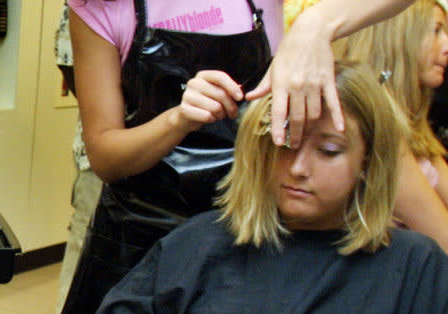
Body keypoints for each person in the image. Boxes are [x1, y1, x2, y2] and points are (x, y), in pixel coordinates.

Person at [61, 0, 417, 312]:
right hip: (138, 232)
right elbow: (105, 154)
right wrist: (177, 120)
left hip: (251, 226)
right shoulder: (102, 5)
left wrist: (317, 23)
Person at [97, 61, 448, 313]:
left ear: (368, 164)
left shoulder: (415, 266)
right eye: (285, 143)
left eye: (328, 151)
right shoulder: (197, 246)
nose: (298, 169)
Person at [332, 0, 448, 252]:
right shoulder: (382, 134)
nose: (447, 45)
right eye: (436, 30)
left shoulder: (414, 130)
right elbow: (444, 239)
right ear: (395, 38)